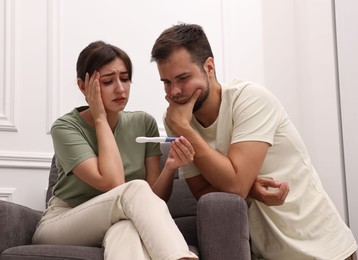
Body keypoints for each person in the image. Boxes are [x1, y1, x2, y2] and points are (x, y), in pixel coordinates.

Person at [151, 23, 357, 260]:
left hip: (322, 250)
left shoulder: (250, 100)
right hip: (266, 253)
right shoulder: (176, 119)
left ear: (209, 66)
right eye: (166, 82)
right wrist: (249, 188)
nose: (175, 91)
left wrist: (185, 129)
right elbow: (202, 193)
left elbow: (236, 186)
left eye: (183, 78)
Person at [32, 40, 198, 260]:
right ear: (83, 86)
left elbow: (152, 201)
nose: (120, 89)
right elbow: (113, 182)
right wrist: (100, 117)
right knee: (135, 189)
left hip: (118, 219)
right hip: (64, 221)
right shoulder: (65, 128)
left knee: (126, 230)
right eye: (108, 81)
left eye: (125, 78)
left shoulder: (143, 123)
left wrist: (169, 168)